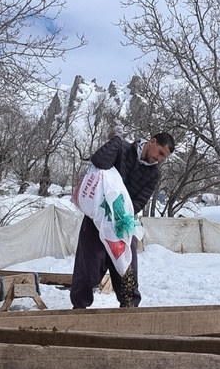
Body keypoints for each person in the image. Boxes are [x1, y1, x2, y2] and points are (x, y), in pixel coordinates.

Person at [70, 132, 175, 308]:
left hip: (123, 223)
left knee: (127, 268)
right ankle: (79, 308)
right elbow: (99, 161)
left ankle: (129, 308)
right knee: (88, 265)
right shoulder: (122, 149)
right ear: (152, 142)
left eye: (164, 157)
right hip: (97, 218)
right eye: (160, 152)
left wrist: (119, 215)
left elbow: (139, 201)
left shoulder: (153, 174)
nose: (159, 159)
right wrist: (115, 142)